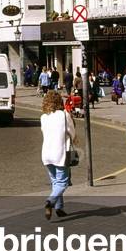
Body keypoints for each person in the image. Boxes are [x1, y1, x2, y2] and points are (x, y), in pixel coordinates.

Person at [40, 91, 76, 219]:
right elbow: (72, 132)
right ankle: (50, 201)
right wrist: (74, 138)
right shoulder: (64, 115)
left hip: (46, 154)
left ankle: (59, 208)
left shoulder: (43, 117)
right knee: (62, 183)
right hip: (60, 153)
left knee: (55, 182)